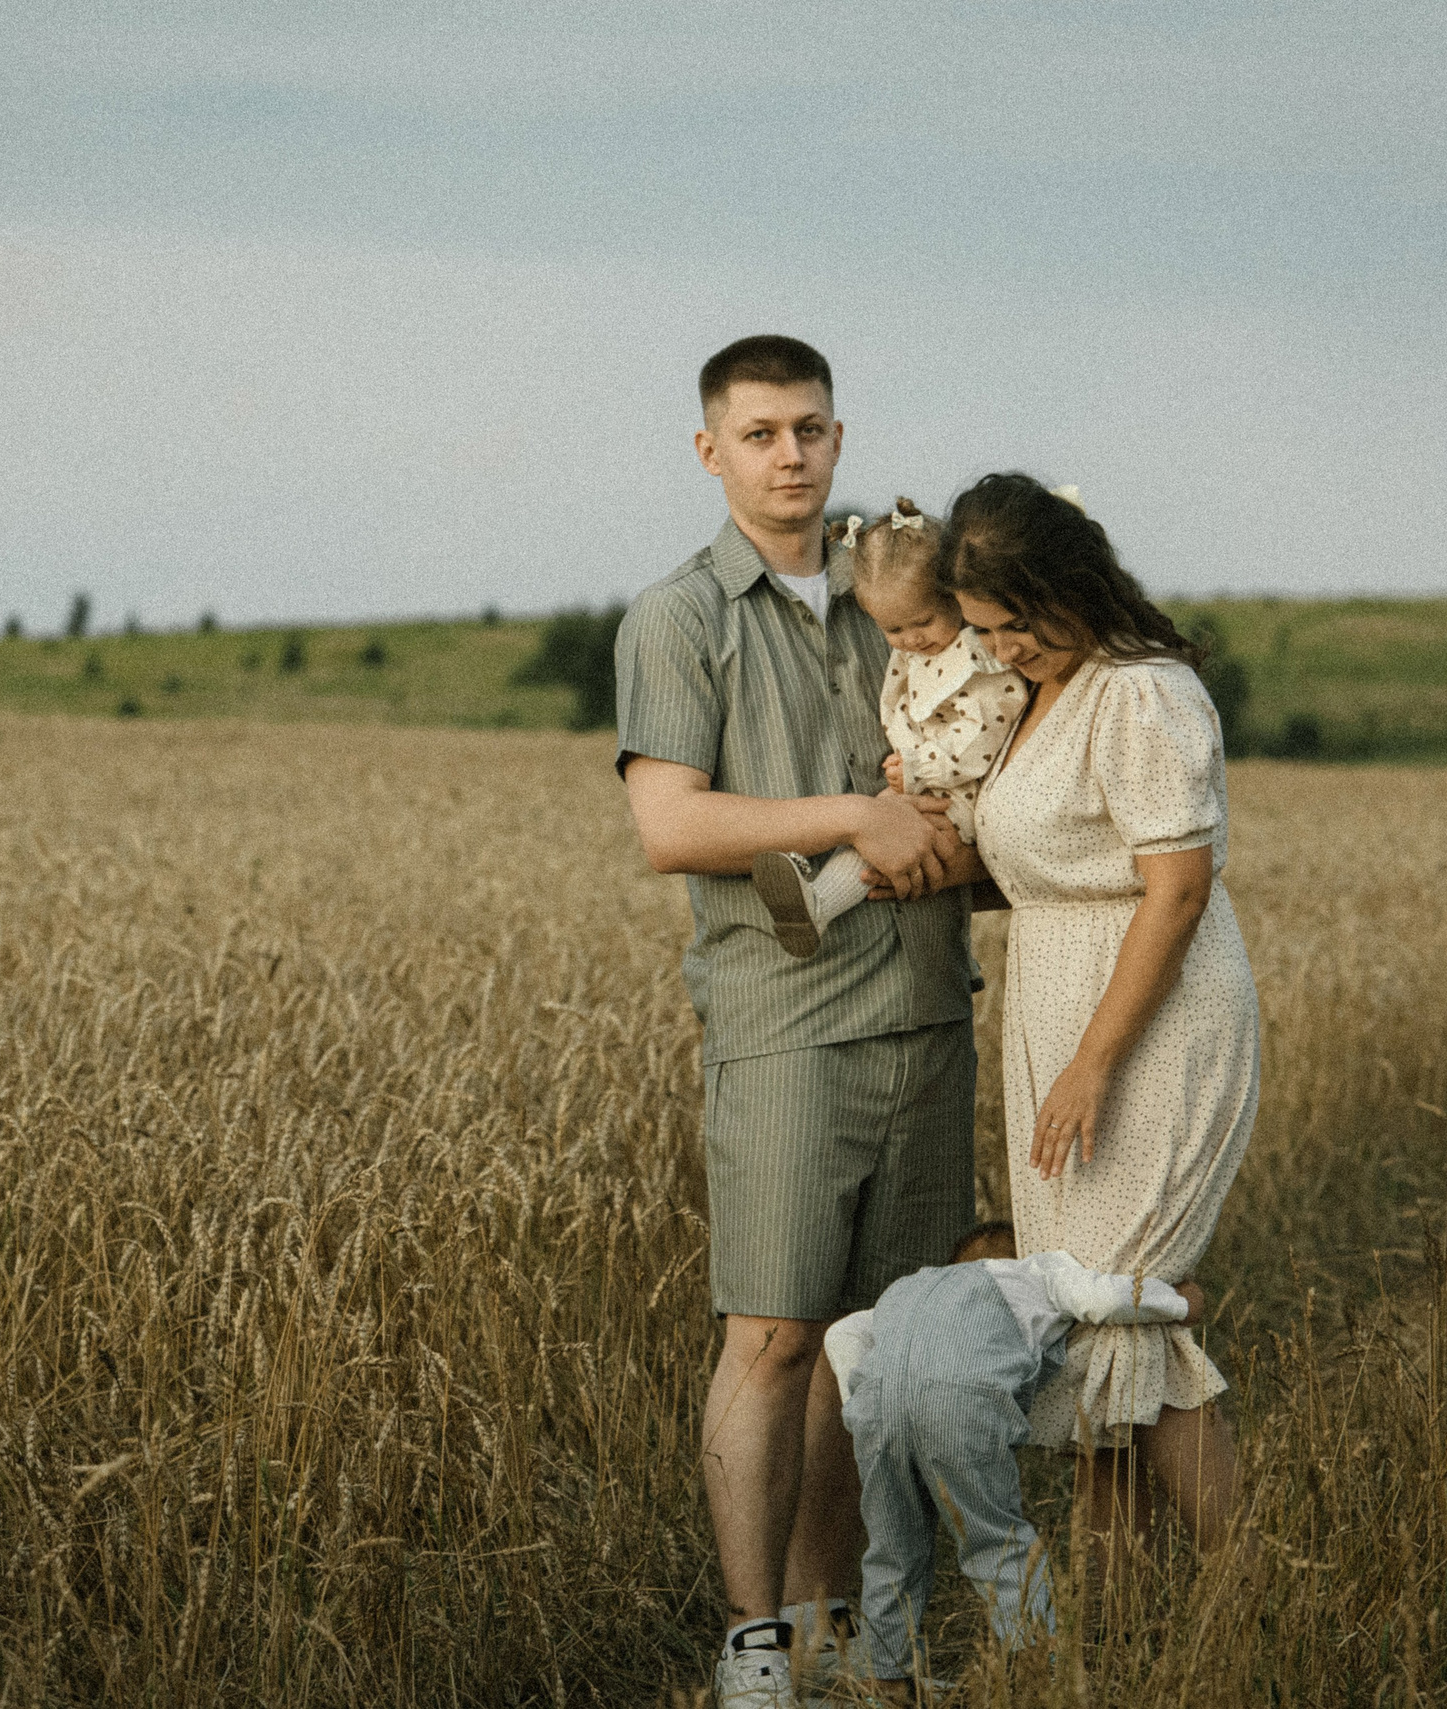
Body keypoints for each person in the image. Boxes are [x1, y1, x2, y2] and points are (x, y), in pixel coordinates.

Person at [613, 336, 981, 1709]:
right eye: (761, 432)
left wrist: (955, 843)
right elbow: (670, 825)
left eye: (812, 428)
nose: (792, 454)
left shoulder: (907, 598)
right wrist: (854, 817)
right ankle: (755, 1644)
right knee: (770, 1337)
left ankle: (846, 1634)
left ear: (840, 436)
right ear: (711, 451)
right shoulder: (678, 617)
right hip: (784, 1028)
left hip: (929, 1015)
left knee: (872, 1351)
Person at [948, 472, 1260, 1597]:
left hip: (1143, 1028)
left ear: (1071, 588)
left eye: (1013, 624)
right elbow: (1047, 866)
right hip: (1057, 1009)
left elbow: (1173, 890)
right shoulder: (1050, 686)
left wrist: (1092, 1061)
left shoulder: (1140, 692)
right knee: (1094, 1324)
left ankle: (1247, 1590)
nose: (1000, 648)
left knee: (1119, 1307)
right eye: (982, 629)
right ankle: (1116, 1603)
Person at [822, 1222, 1199, 1695]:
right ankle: (1044, 1671)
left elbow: (840, 1334)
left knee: (892, 1546)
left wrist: (857, 1403)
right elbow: (1103, 1300)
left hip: (877, 1407)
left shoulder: (909, 1287)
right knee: (994, 1540)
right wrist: (1180, 1303)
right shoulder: (1041, 1271)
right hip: (961, 1403)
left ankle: (887, 1679)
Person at [750, 498, 1027, 958]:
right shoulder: (916, 652)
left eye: (923, 621)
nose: (912, 639)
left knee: (902, 839)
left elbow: (984, 734)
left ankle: (820, 902)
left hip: (969, 790)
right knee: (881, 826)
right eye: (893, 629)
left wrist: (919, 765)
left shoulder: (981, 660)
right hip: (927, 781)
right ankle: (817, 901)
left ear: (954, 598)